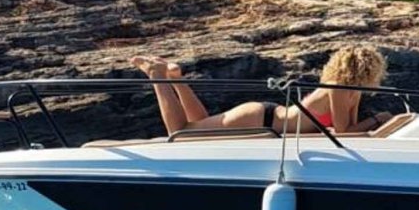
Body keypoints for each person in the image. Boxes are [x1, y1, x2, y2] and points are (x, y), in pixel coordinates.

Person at [132, 45, 393, 137]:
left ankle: (176, 78)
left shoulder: (353, 91)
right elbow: (345, 131)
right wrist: (380, 120)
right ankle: (157, 75)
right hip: (260, 119)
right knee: (181, 132)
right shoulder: (336, 88)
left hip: (271, 119)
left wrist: (378, 123)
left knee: (197, 126)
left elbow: (348, 130)